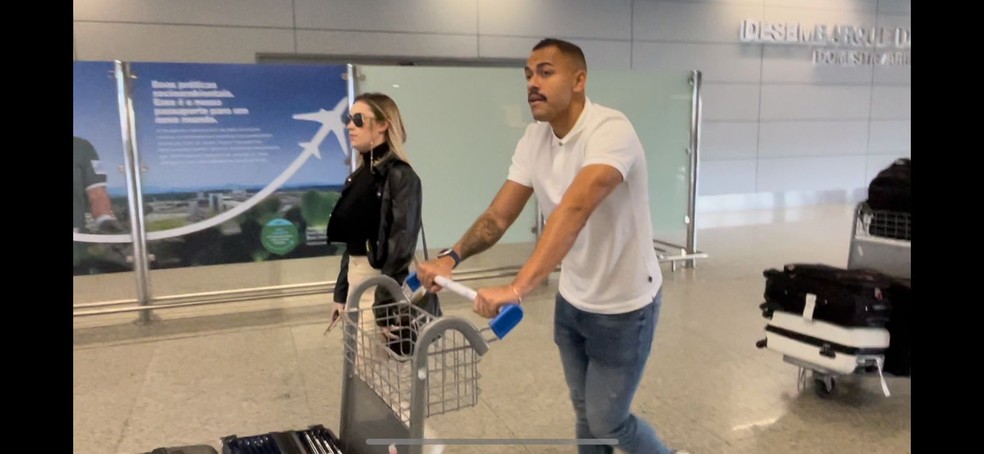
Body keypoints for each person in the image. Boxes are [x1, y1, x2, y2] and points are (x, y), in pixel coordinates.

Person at [416, 38, 686, 454]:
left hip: (625, 308)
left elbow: (573, 211)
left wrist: (517, 287)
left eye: (545, 72)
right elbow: (497, 217)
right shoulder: (534, 138)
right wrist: (451, 257)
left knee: (608, 420)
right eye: (528, 74)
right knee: (584, 413)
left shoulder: (611, 131)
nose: (532, 83)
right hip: (573, 302)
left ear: (579, 80)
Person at [325, 92, 423, 342]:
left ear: (382, 125)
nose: (349, 125)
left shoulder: (400, 176)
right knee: (360, 366)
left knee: (373, 370)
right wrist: (341, 293)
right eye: (349, 118)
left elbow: (401, 246)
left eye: (358, 119)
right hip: (357, 281)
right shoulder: (360, 176)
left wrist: (384, 308)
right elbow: (354, 240)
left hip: (379, 284)